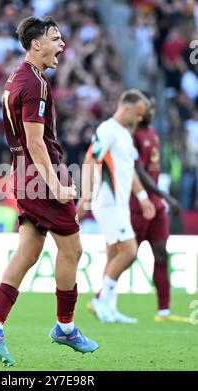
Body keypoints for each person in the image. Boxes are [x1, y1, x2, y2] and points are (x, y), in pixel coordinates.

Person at [0, 16, 98, 367]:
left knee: (29, 251)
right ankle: (65, 326)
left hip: (22, 172)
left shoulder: (17, 77)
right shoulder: (35, 84)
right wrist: (56, 184)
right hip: (39, 174)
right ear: (36, 44)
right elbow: (34, 141)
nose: (62, 45)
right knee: (72, 248)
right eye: (56, 39)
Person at [77, 89, 156, 324]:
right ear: (127, 108)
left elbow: (130, 170)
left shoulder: (124, 134)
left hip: (119, 202)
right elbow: (91, 158)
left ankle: (109, 308)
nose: (140, 119)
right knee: (129, 251)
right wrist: (86, 196)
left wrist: (142, 197)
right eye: (139, 113)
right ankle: (101, 301)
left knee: (113, 254)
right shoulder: (107, 130)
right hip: (107, 201)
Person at [130, 93, 190, 323]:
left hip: (156, 207)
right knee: (126, 255)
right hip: (138, 204)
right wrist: (166, 196)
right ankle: (102, 298)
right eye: (147, 108)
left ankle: (163, 311)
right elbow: (139, 172)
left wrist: (162, 199)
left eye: (152, 108)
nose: (151, 112)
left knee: (162, 254)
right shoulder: (132, 134)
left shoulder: (153, 132)